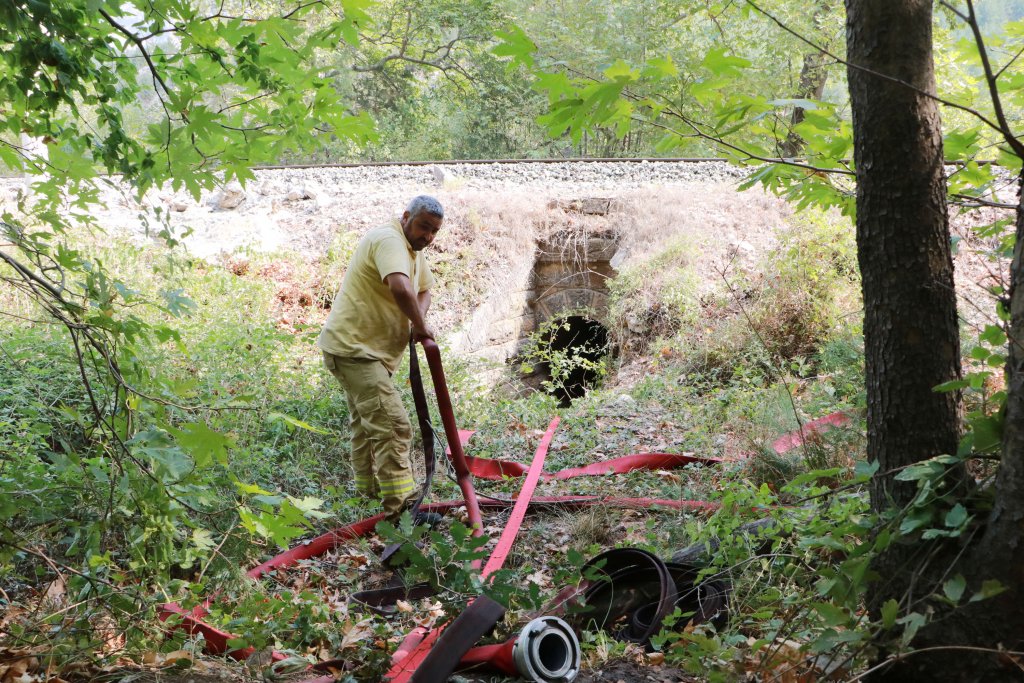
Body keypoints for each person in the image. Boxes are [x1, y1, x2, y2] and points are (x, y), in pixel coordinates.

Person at [319, 195, 444, 524]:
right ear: (406, 217)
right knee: (392, 427)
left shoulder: (411, 248)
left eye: (434, 231)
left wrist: (419, 322)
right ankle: (401, 514)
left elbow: (423, 289)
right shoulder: (390, 240)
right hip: (355, 351)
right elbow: (401, 288)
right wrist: (421, 326)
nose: (428, 237)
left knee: (367, 425)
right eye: (423, 227)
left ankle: (368, 495)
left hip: (365, 352)